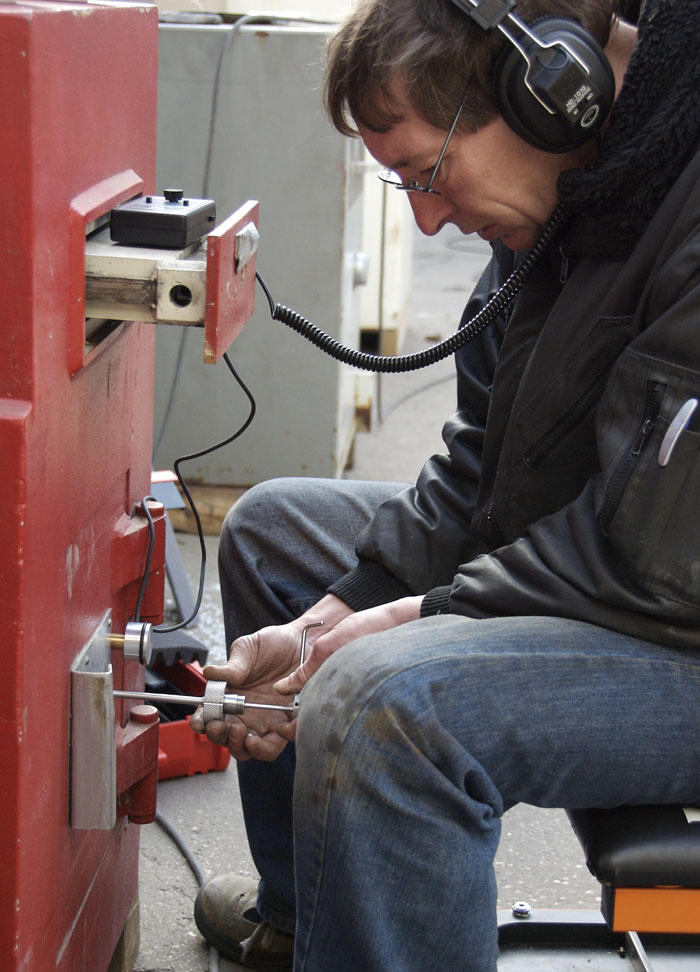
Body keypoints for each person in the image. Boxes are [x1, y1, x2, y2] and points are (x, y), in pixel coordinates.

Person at [191, 0, 700, 969]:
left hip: (677, 612)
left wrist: (410, 617)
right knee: (277, 536)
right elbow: (483, 463)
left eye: (429, 174)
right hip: (621, 567)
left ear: (551, 99)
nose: (427, 218)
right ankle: (316, 921)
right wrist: (323, 619)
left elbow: (656, 551)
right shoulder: (573, 203)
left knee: (385, 703)